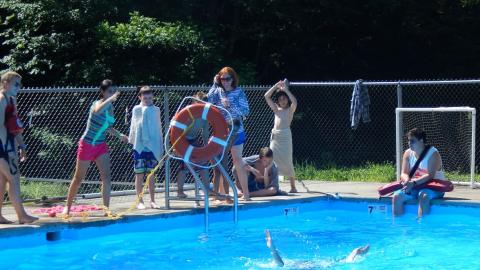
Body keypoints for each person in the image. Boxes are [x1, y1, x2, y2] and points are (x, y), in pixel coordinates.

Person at [63, 79, 128, 215]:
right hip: (86, 144)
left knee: (106, 177)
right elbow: (98, 111)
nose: (112, 93)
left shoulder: (111, 108)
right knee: (78, 178)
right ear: (103, 92)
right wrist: (110, 99)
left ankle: (106, 209)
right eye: (109, 91)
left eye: (113, 91)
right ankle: (67, 207)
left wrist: (119, 135)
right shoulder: (97, 104)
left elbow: (108, 127)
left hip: (100, 145)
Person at [0, 71, 38, 224]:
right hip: (2, 146)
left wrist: (22, 145)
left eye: (19, 84)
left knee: (2, 181)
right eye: (16, 84)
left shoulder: (11, 100)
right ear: (5, 83)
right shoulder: (2, 99)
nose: (18, 87)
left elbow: (14, 127)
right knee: (14, 179)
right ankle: (22, 216)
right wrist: (8, 149)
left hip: (7, 144)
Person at [208, 67, 250, 200]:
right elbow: (208, 101)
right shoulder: (218, 91)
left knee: (238, 161)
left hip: (236, 130)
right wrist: (214, 84)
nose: (225, 81)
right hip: (221, 131)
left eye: (228, 79)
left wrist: (230, 104)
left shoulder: (238, 92)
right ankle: (221, 194)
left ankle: (246, 194)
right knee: (220, 162)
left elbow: (246, 111)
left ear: (233, 79)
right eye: (222, 79)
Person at [392, 128, 446, 217]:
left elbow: (430, 175)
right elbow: (404, 173)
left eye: (412, 141)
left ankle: (421, 227)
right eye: (408, 140)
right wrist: (407, 181)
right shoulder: (408, 153)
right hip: (414, 186)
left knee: (423, 196)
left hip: (434, 188)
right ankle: (399, 226)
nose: (409, 143)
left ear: (421, 141)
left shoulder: (433, 154)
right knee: (397, 197)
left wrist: (413, 183)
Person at [128, 86, 163, 209]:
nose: (148, 100)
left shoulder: (156, 110)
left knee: (151, 174)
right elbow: (133, 126)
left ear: (153, 97)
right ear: (140, 97)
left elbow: (158, 129)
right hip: (140, 147)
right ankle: (140, 201)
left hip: (152, 147)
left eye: (150, 98)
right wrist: (132, 140)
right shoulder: (136, 109)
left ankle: (153, 200)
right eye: (145, 98)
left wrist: (159, 145)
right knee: (139, 174)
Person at [265, 229, 369, 267]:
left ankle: (355, 252)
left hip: (307, 265)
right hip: (307, 264)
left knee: (282, 266)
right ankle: (355, 252)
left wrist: (272, 249)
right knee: (341, 262)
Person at [175, 91, 211, 198]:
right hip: (182, 140)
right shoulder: (188, 112)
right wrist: (176, 146)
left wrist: (206, 148)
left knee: (203, 165)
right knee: (184, 167)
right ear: (194, 102)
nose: (202, 105)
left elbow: (205, 133)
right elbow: (177, 130)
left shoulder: (205, 116)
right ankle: (179, 191)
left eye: (204, 103)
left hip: (194, 140)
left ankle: (207, 190)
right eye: (200, 103)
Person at [265, 79, 298, 193]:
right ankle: (272, 185)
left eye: (284, 99)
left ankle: (293, 187)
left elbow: (295, 101)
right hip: (276, 138)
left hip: (285, 137)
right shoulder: (276, 109)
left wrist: (286, 90)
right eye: (280, 99)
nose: (282, 101)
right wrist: (275, 86)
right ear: (278, 102)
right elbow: (266, 96)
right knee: (271, 160)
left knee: (288, 161)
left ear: (287, 100)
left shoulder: (290, 110)